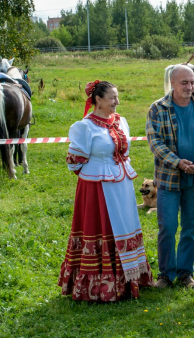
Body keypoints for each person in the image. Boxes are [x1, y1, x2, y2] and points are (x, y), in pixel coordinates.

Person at [58, 80, 153, 301]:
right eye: (112, 98)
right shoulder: (85, 126)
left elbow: (124, 152)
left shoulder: (121, 121)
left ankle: (130, 277)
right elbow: (74, 161)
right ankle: (100, 285)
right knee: (103, 227)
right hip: (97, 188)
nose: (117, 102)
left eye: (117, 97)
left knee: (126, 226)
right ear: (98, 100)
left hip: (122, 184)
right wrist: (97, 172)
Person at [146, 65, 194, 289]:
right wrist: (177, 162)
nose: (189, 87)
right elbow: (155, 142)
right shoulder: (158, 109)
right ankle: (166, 274)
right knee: (167, 227)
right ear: (173, 83)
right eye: (184, 83)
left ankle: (186, 274)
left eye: (192, 82)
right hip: (168, 180)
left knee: (191, 227)